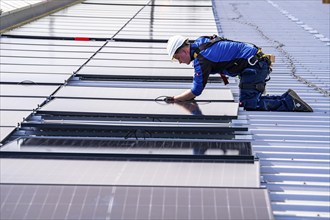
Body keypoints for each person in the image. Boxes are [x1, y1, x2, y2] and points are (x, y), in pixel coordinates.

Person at [164, 35, 313, 112]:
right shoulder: (201, 43)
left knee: (249, 104)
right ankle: (288, 98)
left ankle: (290, 102)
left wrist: (174, 99)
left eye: (178, 58)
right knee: (250, 100)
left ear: (184, 51)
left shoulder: (202, 60)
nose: (180, 62)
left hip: (254, 67)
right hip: (253, 64)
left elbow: (196, 91)